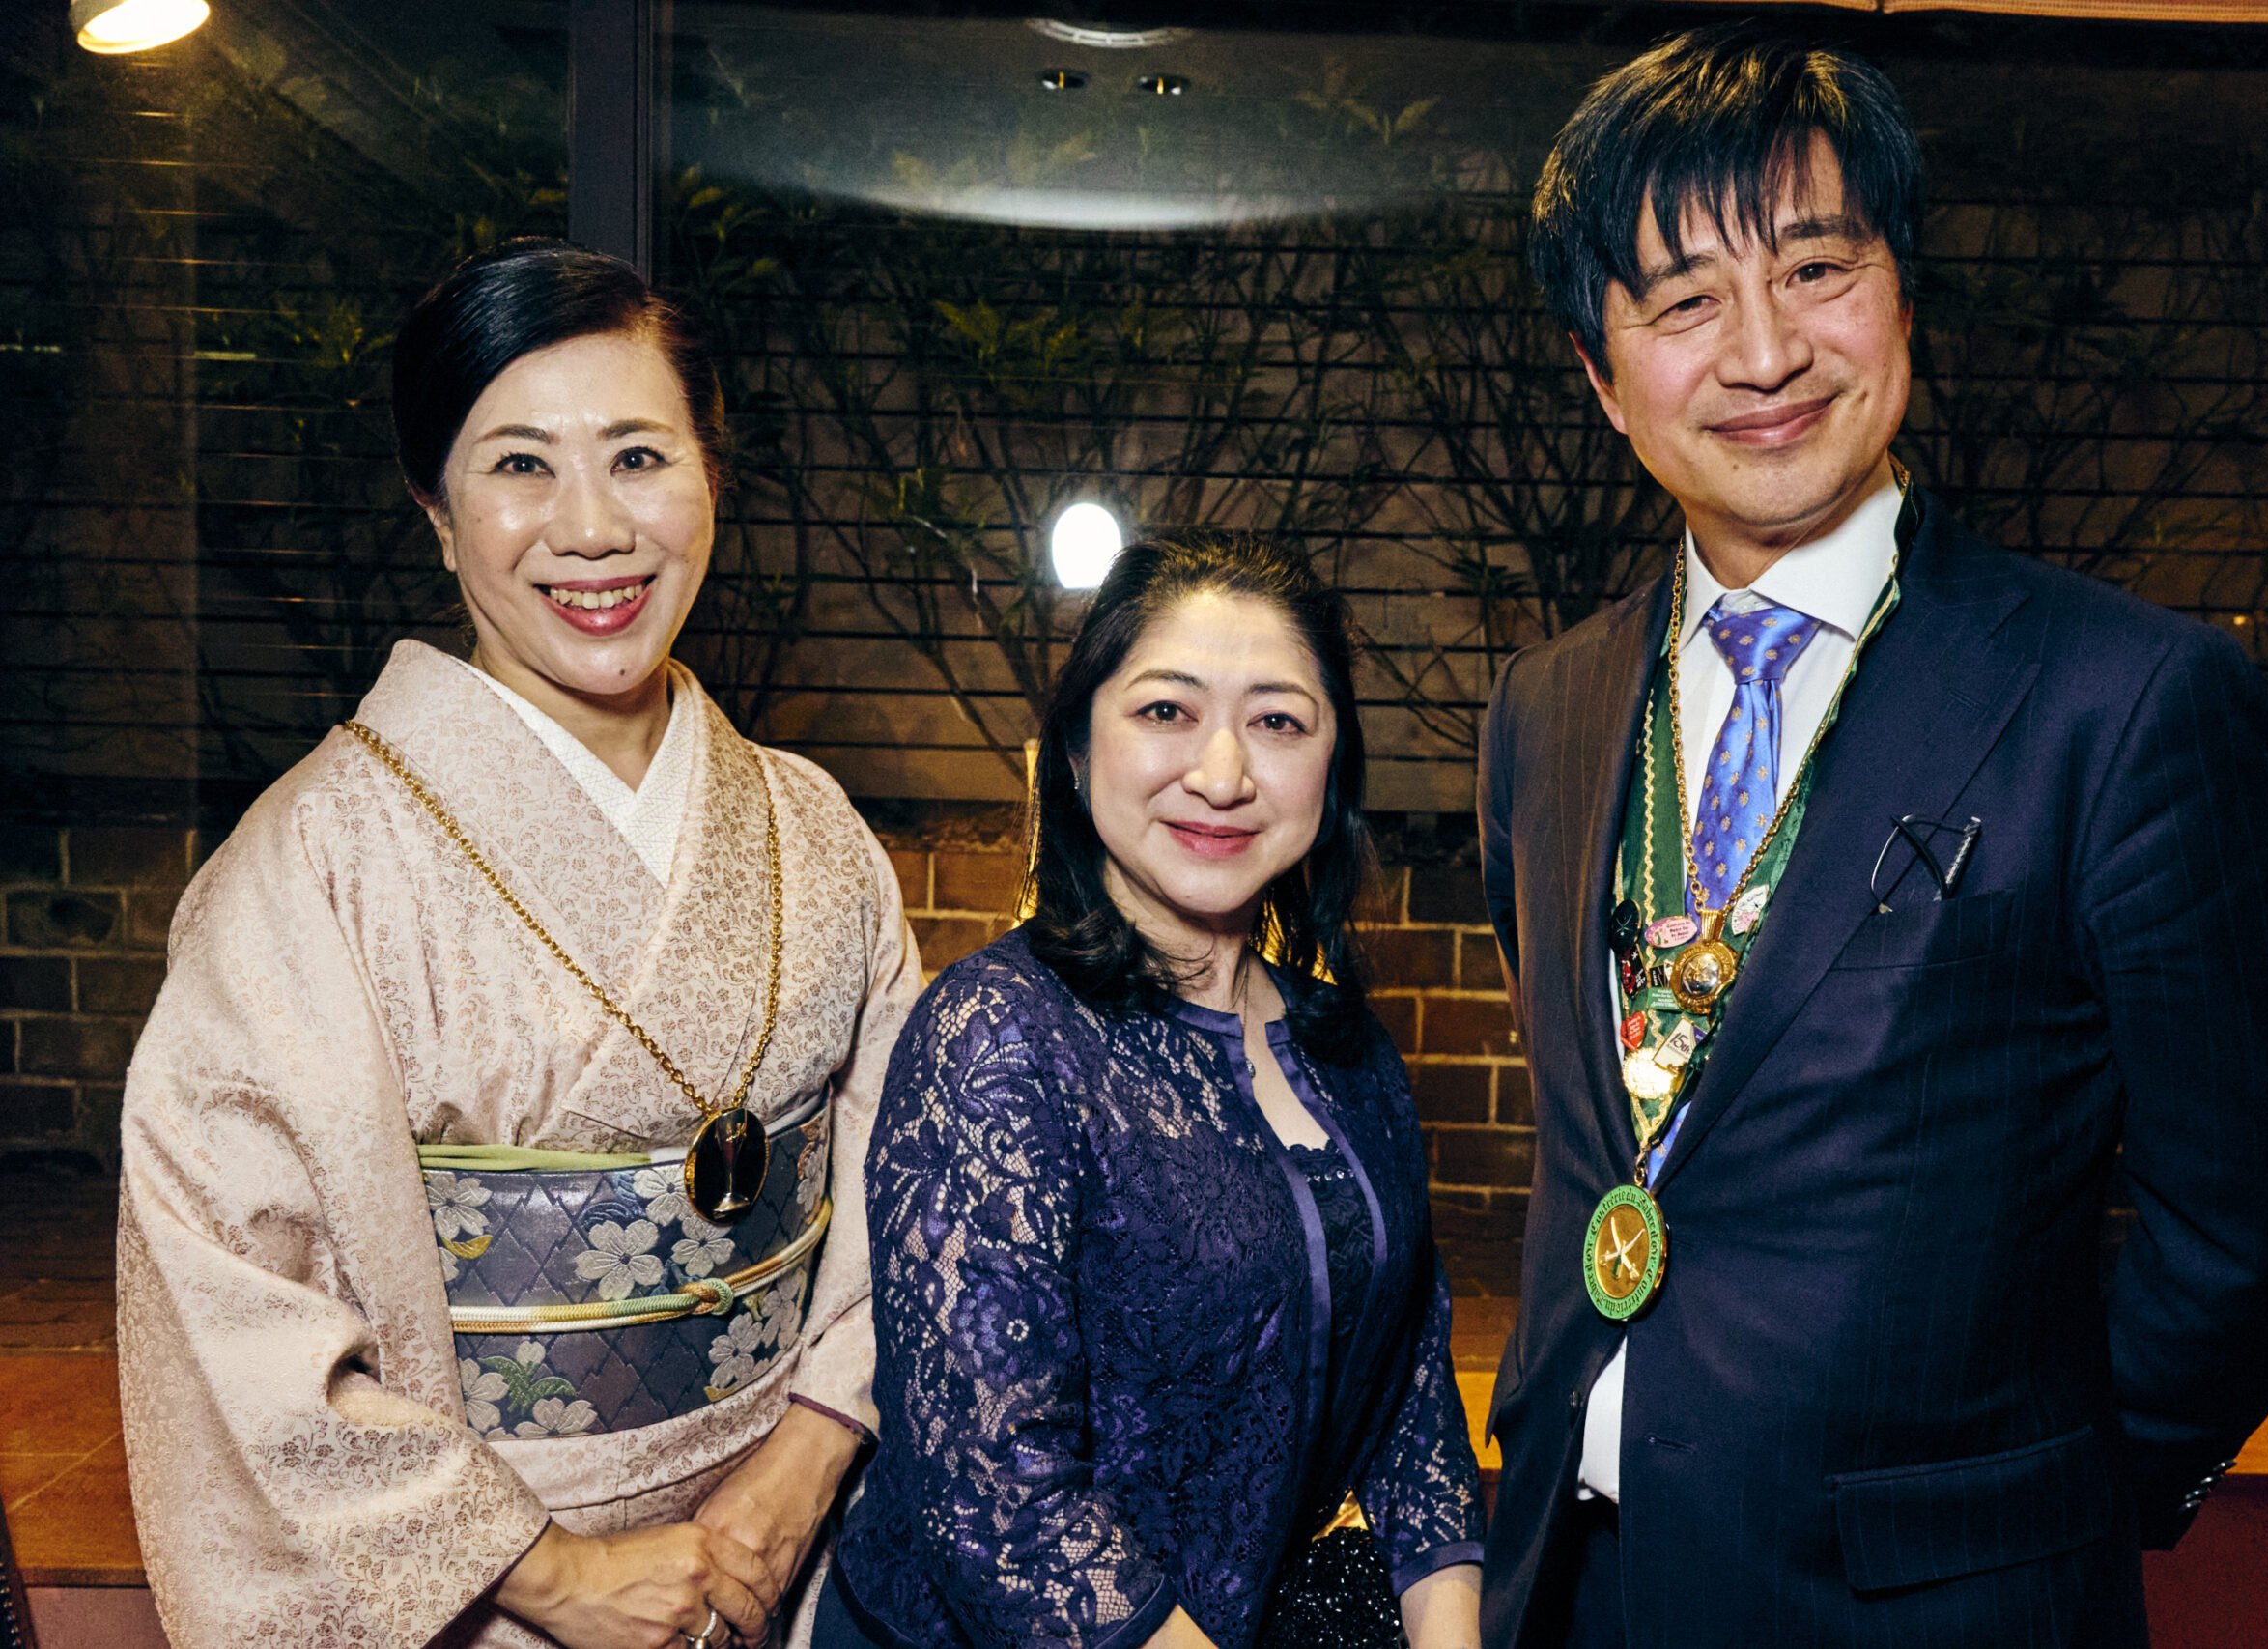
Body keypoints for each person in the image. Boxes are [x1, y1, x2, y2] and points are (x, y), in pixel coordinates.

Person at [1477, 27, 2268, 1649]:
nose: (1764, 352)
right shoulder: (1545, 710)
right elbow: (1615, 1130)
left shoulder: (2126, 702)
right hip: (1572, 1587)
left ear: (1903, 296)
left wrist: (2034, 1506)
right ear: (1604, 378)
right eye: (1685, 301)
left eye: (1815, 269)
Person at [117, 241, 920, 1649]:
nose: (592, 529)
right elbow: (227, 1303)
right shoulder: (314, 864)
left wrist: (811, 1450)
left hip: (784, 1553)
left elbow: (911, 1178)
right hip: (486, 1595)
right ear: (438, 513)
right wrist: (549, 1573)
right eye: (521, 466)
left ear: (711, 479)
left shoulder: (813, 828)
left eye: (638, 457)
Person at [816, 529, 1485, 1649]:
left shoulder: (1348, 1050)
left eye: (1277, 722)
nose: (1221, 774)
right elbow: (1001, 1504)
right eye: (1166, 711)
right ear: (1077, 753)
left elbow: (1410, 1399)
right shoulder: (997, 1035)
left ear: (1332, 767)